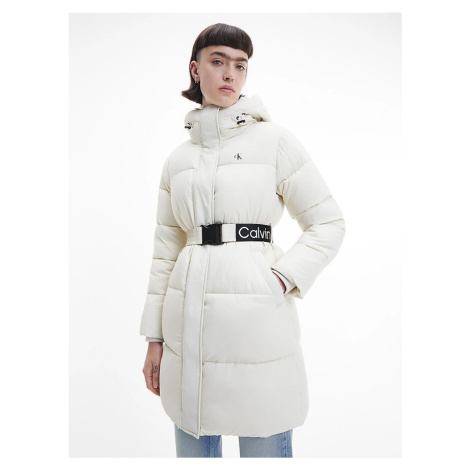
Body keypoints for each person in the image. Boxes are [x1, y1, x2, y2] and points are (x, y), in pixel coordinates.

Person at [140, 23, 346, 458]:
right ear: (196, 70)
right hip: (186, 333)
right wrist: (154, 338)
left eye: (240, 65)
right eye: (218, 62)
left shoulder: (275, 141)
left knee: (264, 441)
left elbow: (328, 222)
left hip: (258, 327)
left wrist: (279, 278)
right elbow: (165, 252)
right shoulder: (177, 160)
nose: (230, 73)